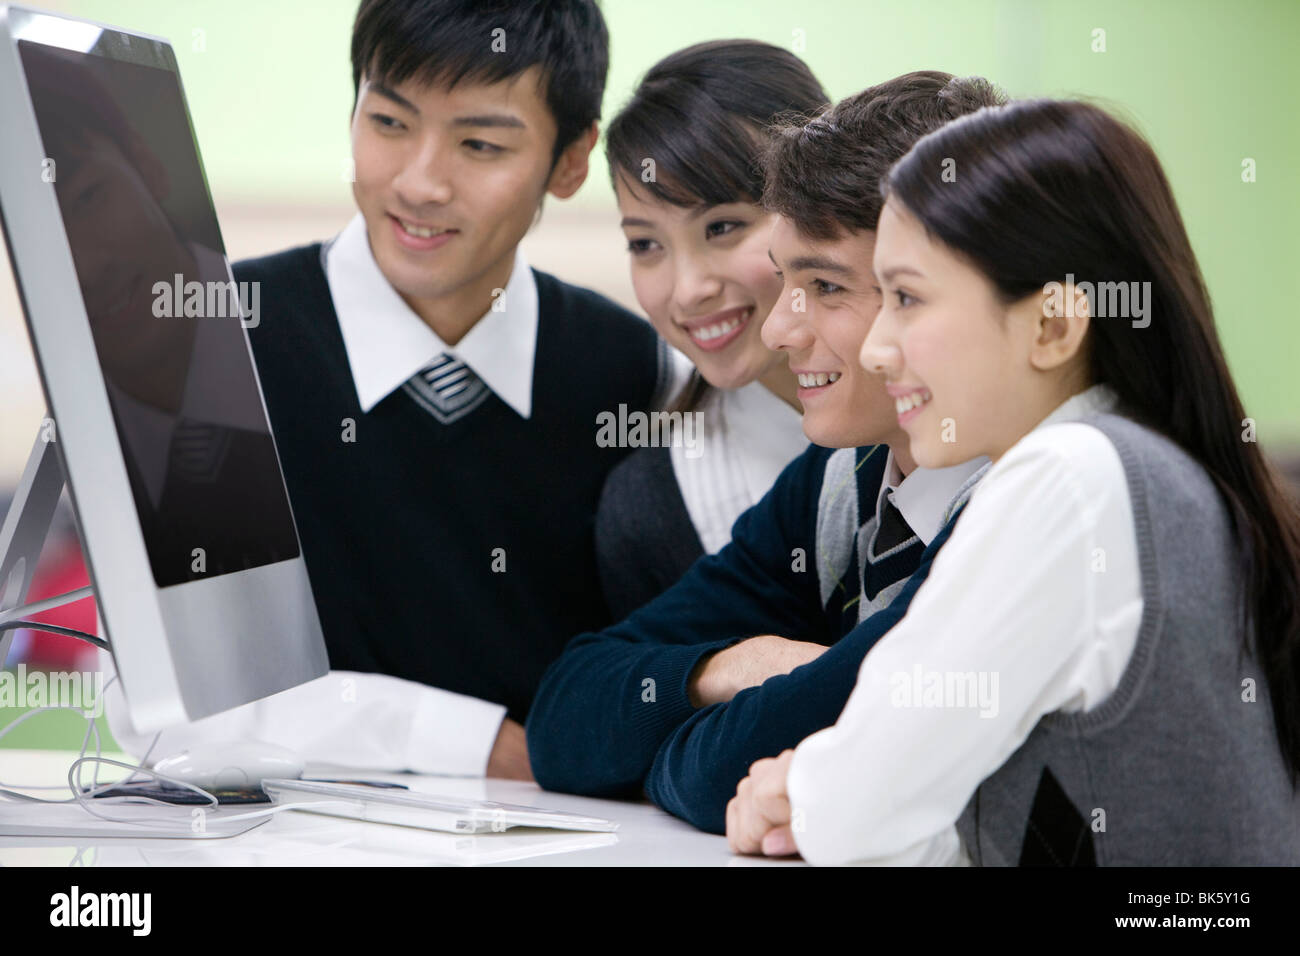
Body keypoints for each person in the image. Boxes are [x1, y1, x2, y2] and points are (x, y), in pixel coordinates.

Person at [103, 0, 672, 782]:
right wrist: (487, 747)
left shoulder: (633, 369)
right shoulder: (220, 338)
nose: (419, 183)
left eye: (478, 143)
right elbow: (160, 707)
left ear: (571, 161)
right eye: (390, 123)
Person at [726, 98, 1300, 865]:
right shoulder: (1142, 464)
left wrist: (809, 789)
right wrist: (826, 791)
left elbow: (857, 813)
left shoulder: (1069, 479)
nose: (877, 349)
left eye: (907, 298)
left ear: (1053, 326)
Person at [526, 72, 1005, 833]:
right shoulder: (839, 479)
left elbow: (735, 761)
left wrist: (734, 741)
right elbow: (563, 721)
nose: (782, 330)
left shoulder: (1025, 503)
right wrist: (730, 668)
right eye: (787, 279)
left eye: (825, 284)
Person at [594, 40, 827, 619]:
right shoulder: (652, 512)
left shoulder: (966, 415)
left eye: (723, 226)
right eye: (645, 244)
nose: (688, 288)